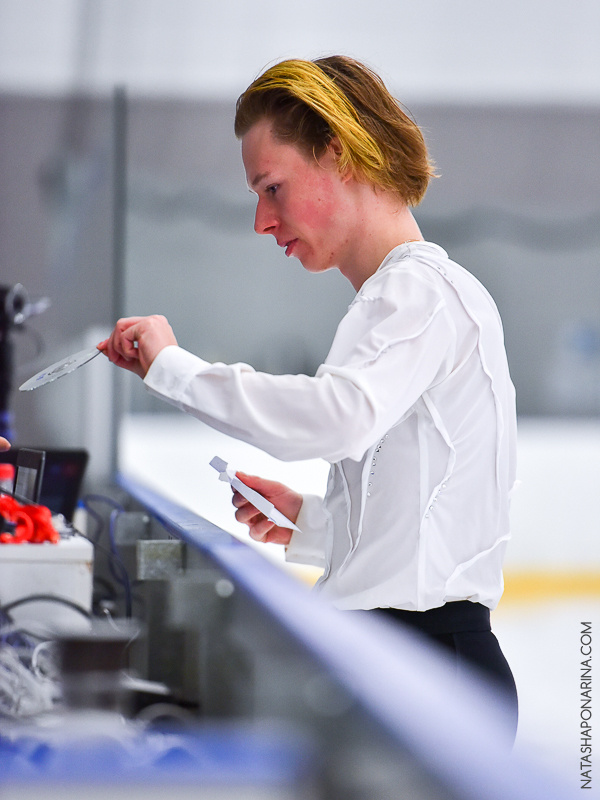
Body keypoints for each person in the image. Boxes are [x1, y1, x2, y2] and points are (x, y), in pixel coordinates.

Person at [99, 56, 518, 735]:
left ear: (339, 154)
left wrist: (174, 370)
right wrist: (319, 525)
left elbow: (334, 419)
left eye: (272, 188)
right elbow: (436, 508)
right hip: (418, 657)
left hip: (427, 669)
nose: (261, 221)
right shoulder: (413, 296)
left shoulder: (417, 293)